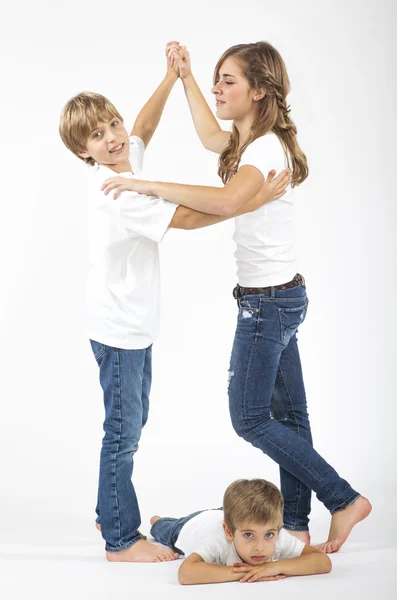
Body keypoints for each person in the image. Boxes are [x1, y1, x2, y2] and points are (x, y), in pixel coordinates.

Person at [101, 41, 372, 554]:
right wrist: (183, 78)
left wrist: (147, 186)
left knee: (248, 417)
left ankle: (343, 497)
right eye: (216, 79)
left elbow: (226, 201)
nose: (218, 88)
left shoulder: (265, 149)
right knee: (290, 418)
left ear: (260, 90)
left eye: (228, 81)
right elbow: (209, 133)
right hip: (282, 297)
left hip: (266, 305)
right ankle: (295, 521)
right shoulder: (246, 141)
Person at [58, 52, 290, 563]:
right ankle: (120, 537)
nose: (115, 137)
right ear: (84, 153)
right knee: (122, 435)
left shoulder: (125, 161)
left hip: (130, 328)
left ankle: (109, 505)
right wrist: (251, 199)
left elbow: (143, 126)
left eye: (111, 124)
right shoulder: (120, 194)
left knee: (129, 427)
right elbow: (186, 219)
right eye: (98, 137)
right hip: (119, 330)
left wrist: (169, 77)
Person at [150, 478, 332, 584]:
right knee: (162, 527)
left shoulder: (276, 535)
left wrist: (273, 567)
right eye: (249, 535)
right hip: (190, 526)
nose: (260, 547)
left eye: (269, 534)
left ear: (278, 528)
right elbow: (186, 573)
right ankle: (157, 519)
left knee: (241, 516)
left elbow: (322, 562)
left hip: (228, 516)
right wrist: (249, 572)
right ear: (229, 532)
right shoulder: (219, 541)